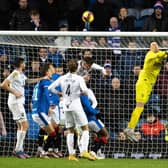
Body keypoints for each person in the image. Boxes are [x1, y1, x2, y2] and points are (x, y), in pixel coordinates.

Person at [48, 59, 96, 161]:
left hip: (66, 105)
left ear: (68, 67)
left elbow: (50, 88)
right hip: (76, 105)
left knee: (70, 130)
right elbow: (85, 91)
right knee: (85, 128)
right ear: (76, 68)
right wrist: (82, 93)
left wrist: (59, 93)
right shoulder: (79, 78)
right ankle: (84, 151)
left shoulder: (62, 77)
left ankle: (71, 155)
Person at [0, 57, 45, 158]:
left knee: (21, 126)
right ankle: (18, 149)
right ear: (20, 64)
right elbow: (3, 85)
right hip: (15, 102)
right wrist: (14, 92)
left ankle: (19, 149)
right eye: (24, 62)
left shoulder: (20, 74)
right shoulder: (15, 73)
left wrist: (41, 79)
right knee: (25, 125)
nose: (25, 64)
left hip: (18, 102)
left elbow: (28, 81)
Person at [124, 42, 168, 142]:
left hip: (148, 86)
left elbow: (161, 56)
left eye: (156, 45)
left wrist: (164, 54)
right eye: (153, 45)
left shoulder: (159, 57)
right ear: (150, 47)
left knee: (141, 107)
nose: (155, 46)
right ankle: (130, 128)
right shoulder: (150, 54)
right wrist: (164, 53)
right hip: (143, 83)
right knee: (139, 106)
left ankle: (130, 128)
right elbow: (158, 55)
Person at [32, 63, 61, 158]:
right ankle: (43, 152)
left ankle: (43, 149)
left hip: (38, 110)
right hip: (40, 111)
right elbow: (47, 94)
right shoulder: (45, 82)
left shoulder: (40, 82)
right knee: (52, 133)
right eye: (52, 67)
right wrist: (50, 104)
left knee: (54, 127)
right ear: (47, 71)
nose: (54, 69)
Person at [80, 88, 109, 159]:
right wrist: (97, 112)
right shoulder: (83, 96)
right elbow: (88, 108)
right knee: (106, 135)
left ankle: (97, 152)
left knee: (98, 135)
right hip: (91, 119)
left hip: (86, 120)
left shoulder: (76, 99)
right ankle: (93, 151)